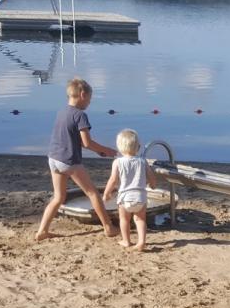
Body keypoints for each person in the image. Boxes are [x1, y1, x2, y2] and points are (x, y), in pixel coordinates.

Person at [34, 78, 117, 241]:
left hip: (53, 158)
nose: (89, 103)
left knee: (58, 197)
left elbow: (75, 139)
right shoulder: (80, 115)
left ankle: (42, 231)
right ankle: (108, 227)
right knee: (93, 193)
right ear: (82, 94)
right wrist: (107, 150)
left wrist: (99, 152)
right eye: (90, 99)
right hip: (69, 161)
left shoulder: (62, 112)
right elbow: (87, 142)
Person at [102, 129, 157, 251]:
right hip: (140, 197)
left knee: (124, 219)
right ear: (138, 146)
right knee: (140, 219)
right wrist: (153, 184)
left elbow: (113, 180)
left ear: (119, 147)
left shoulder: (118, 162)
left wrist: (106, 193)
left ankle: (126, 241)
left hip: (124, 197)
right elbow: (151, 176)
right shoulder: (142, 161)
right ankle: (141, 242)